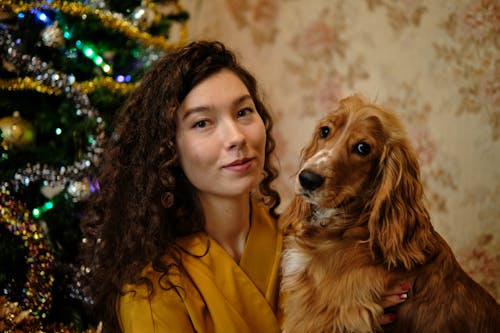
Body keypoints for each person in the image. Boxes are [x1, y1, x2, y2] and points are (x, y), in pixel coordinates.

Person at [81, 41, 409, 332]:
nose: (236, 137)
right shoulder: (151, 289)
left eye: (243, 112)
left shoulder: (306, 242)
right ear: (168, 149)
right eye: (202, 123)